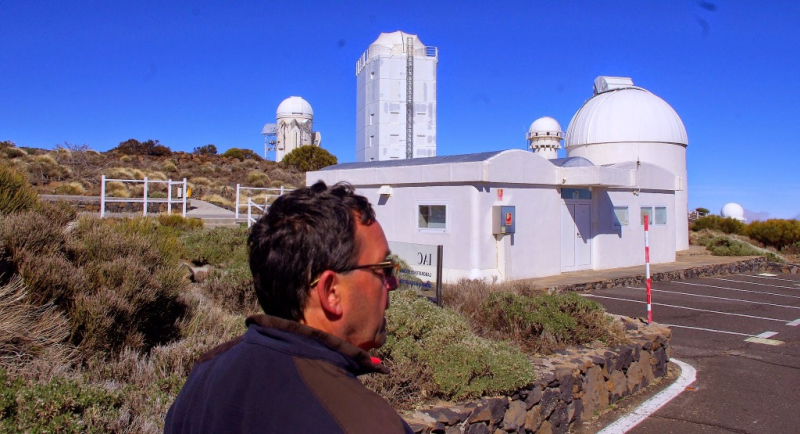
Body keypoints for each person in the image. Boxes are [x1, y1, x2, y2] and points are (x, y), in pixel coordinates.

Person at [165, 181, 412, 433]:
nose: (393, 283)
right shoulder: (365, 422)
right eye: (382, 270)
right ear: (331, 292)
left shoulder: (205, 375)